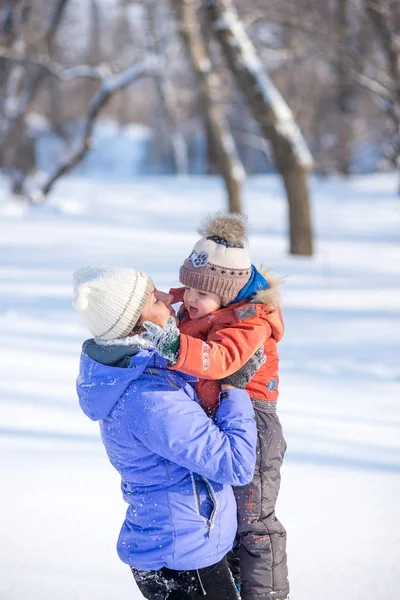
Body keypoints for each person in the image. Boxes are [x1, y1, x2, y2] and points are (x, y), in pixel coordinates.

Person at [72, 266, 263, 600]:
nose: (167, 297)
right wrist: (235, 387)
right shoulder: (149, 398)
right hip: (185, 561)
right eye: (152, 297)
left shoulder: (139, 372)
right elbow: (235, 463)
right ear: (136, 324)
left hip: (179, 544)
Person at [143, 213, 289, 600]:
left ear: (229, 295)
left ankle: (267, 594)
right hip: (221, 414)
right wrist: (159, 299)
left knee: (254, 522)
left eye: (200, 293)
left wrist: (173, 345)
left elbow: (223, 360)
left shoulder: (249, 320)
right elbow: (188, 292)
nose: (189, 299)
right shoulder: (205, 300)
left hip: (253, 422)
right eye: (187, 288)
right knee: (225, 516)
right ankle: (235, 584)